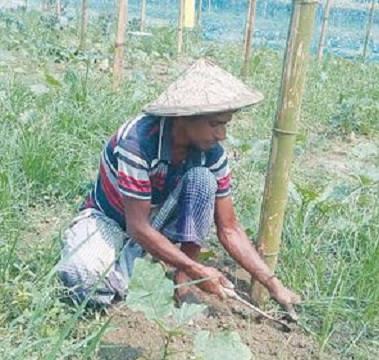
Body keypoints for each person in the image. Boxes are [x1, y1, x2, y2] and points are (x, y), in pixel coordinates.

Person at [54, 58, 300, 317]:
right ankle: (125, 273)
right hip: (112, 220)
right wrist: (200, 270)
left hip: (156, 224)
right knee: (81, 275)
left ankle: (179, 279)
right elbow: (136, 227)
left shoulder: (211, 154)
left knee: (204, 180)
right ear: (184, 118)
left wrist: (273, 283)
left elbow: (229, 228)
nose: (222, 135)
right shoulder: (136, 143)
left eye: (225, 124)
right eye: (215, 124)